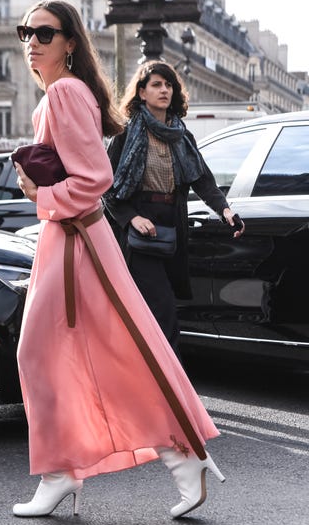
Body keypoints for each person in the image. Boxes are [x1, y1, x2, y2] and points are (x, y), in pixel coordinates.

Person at [12, 0, 226, 521]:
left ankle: (160, 461)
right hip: (72, 241)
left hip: (76, 242)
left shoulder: (64, 92)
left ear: (69, 41)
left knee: (56, 355)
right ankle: (92, 469)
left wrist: (39, 195)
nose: (33, 43)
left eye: (45, 33)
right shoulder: (64, 93)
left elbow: (93, 181)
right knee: (103, 353)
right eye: (27, 32)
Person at [105, 61, 245, 356]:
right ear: (141, 93)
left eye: (168, 85)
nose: (164, 90)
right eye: (156, 85)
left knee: (154, 311)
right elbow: (107, 185)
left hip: (173, 226)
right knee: (163, 308)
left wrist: (226, 211)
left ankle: (150, 380)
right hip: (140, 232)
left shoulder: (182, 135)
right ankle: (171, 386)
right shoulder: (125, 134)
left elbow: (203, 180)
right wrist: (132, 218)